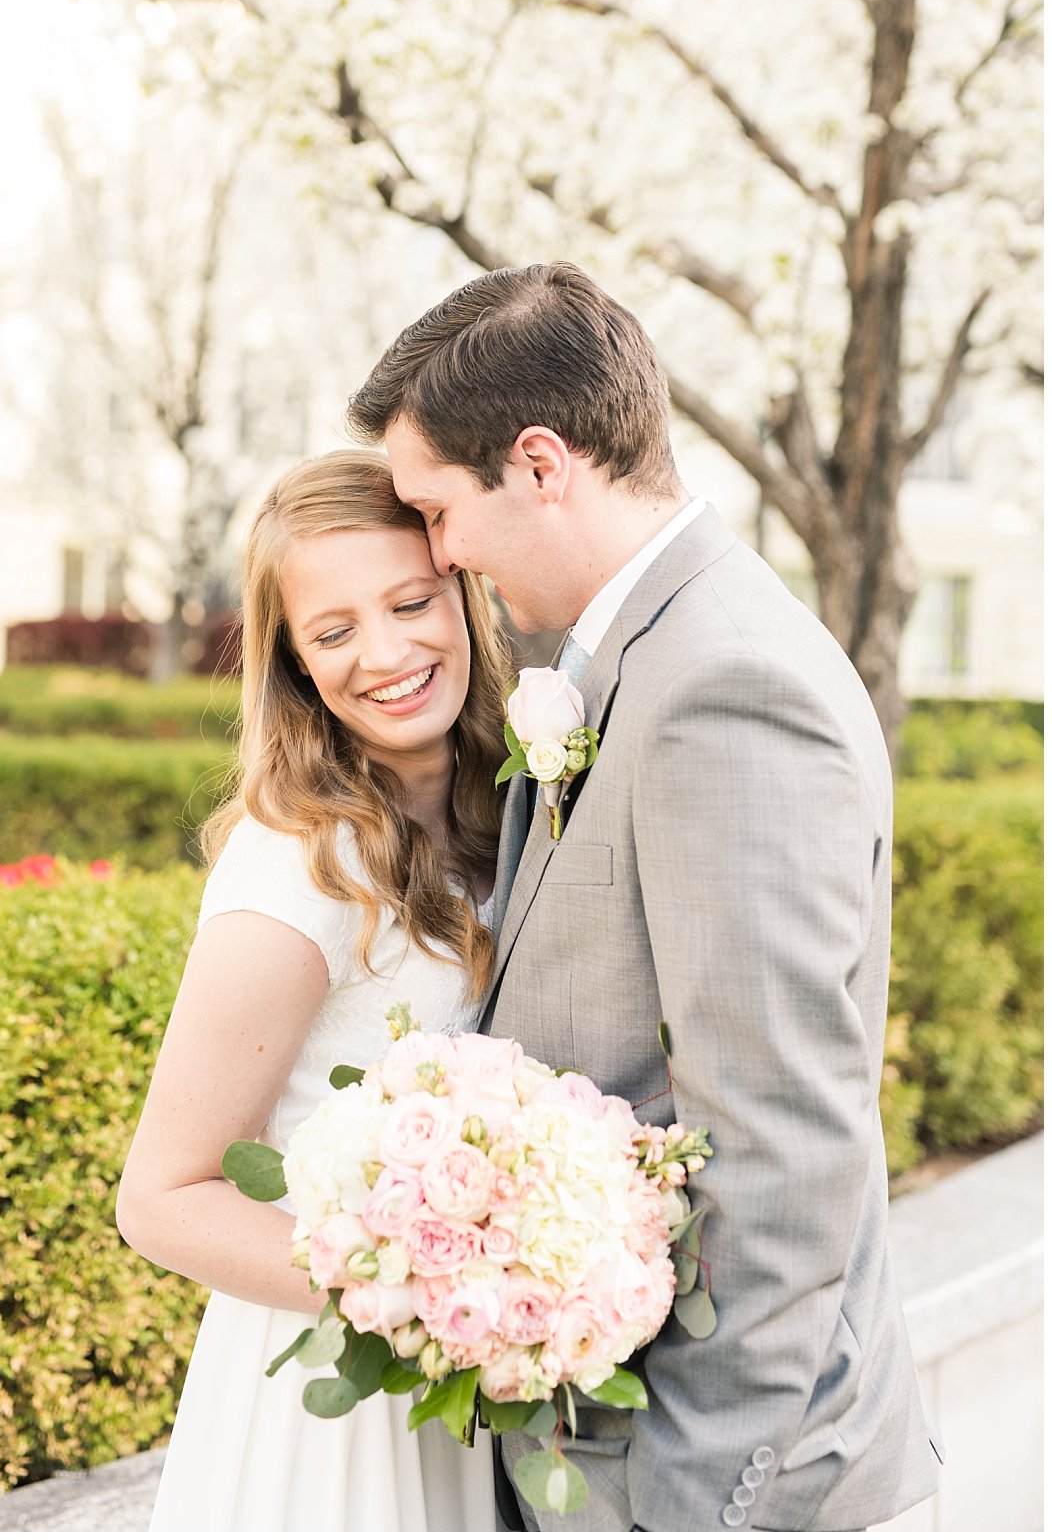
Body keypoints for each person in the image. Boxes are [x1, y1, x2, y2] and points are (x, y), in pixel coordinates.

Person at [347, 261, 942, 1534]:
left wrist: (685, 1512)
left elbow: (783, 1146)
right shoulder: (626, 657)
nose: (440, 551)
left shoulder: (722, 683)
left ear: (542, 461)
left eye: (441, 509)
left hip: (727, 1478)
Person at [117, 448, 507, 1532]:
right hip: (333, 1412)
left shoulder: (509, 812)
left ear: (463, 589)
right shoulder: (302, 859)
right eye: (332, 631)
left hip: (469, 1384)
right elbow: (159, 1195)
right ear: (291, 661)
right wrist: (418, 1291)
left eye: (410, 601)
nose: (385, 652)